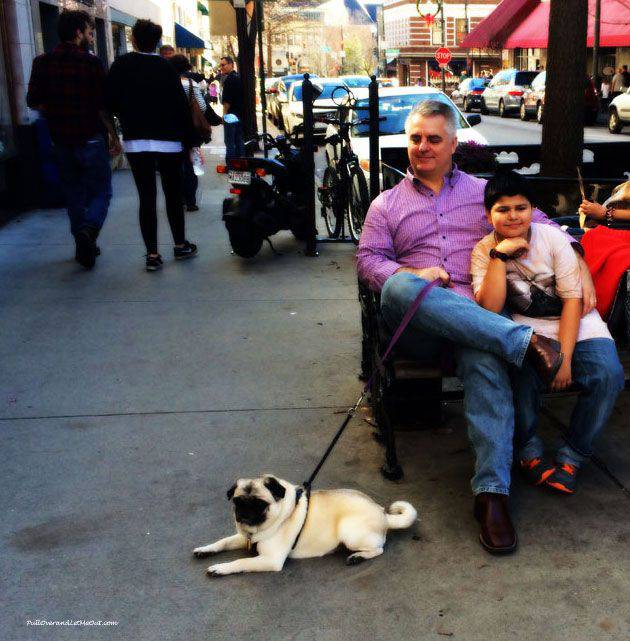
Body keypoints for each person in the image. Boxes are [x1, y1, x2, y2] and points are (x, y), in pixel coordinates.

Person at [356, 100, 596, 554]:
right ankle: (525, 343)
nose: (422, 147)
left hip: (479, 322)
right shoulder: (386, 204)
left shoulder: (482, 195)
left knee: (485, 360)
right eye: (415, 138)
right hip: (419, 323)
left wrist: (578, 256)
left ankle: (491, 494)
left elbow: (543, 225)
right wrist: (412, 276)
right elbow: (368, 261)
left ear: (453, 145)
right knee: (401, 288)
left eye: (433, 139)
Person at [471, 171, 624, 495]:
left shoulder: (552, 238)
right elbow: (489, 308)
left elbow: (572, 300)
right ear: (488, 215)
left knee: (608, 375)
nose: (513, 216)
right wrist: (500, 257)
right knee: (521, 377)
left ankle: (573, 454)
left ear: (532, 209)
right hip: (528, 331)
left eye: (521, 207)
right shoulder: (484, 251)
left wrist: (564, 359)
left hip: (578, 323)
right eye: (503, 209)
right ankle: (529, 451)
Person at [26, 9, 120, 269]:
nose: (91, 36)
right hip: (90, 137)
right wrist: (113, 136)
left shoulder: (42, 62)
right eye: (90, 31)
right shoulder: (91, 63)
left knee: (74, 192)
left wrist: (56, 109)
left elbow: (33, 101)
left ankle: (82, 239)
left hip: (61, 140)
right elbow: (105, 104)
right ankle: (88, 232)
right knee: (102, 190)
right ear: (78, 32)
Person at [106, 19, 198, 272]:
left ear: (133, 39)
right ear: (157, 42)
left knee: (146, 197)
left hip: (136, 141)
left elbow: (109, 102)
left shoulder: (121, 65)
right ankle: (180, 245)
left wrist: (118, 130)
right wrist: (189, 143)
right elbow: (181, 108)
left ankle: (153, 254)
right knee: (173, 193)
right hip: (169, 142)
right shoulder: (166, 68)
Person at [170, 54, 205, 212]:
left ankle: (179, 197)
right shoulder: (191, 84)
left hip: (171, 130)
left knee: (174, 165)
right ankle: (191, 200)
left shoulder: (166, 83)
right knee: (190, 163)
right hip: (190, 130)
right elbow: (202, 107)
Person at [220, 56, 245, 161]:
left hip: (231, 115)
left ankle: (231, 164)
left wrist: (224, 114)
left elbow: (227, 101)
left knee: (230, 142)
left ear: (231, 64)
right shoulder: (237, 76)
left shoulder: (229, 79)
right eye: (220, 65)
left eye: (223, 65)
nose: (221, 67)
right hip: (239, 114)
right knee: (238, 140)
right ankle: (240, 161)